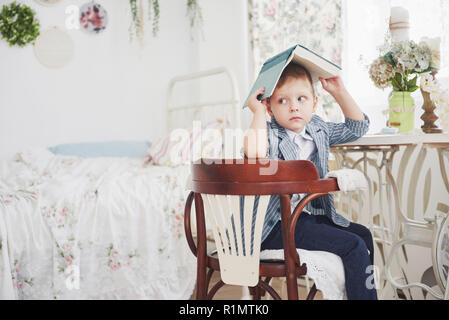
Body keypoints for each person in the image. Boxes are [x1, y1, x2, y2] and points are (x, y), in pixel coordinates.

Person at [243, 62, 377, 300]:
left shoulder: (318, 129)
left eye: (302, 99)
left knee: (363, 235)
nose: (294, 106)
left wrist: (339, 92)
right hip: (276, 225)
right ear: (271, 108)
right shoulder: (271, 134)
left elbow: (358, 127)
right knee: (353, 245)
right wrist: (258, 113)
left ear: (314, 103)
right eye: (283, 101)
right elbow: (253, 153)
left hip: (308, 217)